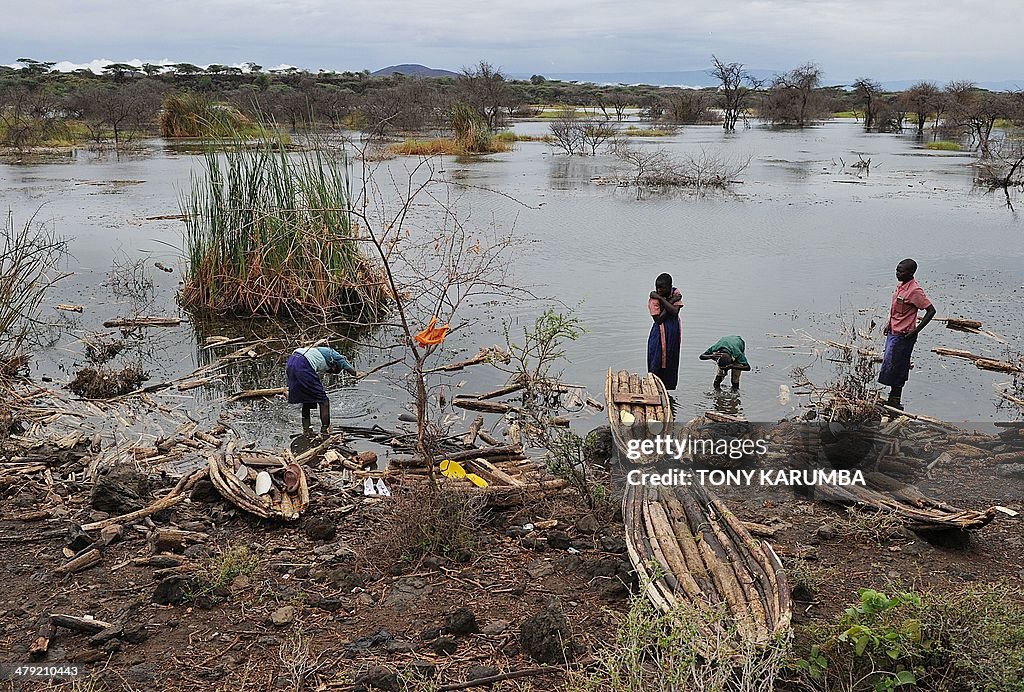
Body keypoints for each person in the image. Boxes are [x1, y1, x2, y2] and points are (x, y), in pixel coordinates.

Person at [879, 259, 936, 410]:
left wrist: (915, 330)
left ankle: (895, 400)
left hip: (904, 336)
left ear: (910, 273)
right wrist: (888, 324)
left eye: (901, 271)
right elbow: (896, 310)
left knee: (898, 367)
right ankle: (892, 400)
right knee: (889, 364)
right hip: (894, 332)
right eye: (897, 270)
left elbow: (931, 311)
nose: (897, 273)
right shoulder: (901, 286)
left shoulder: (914, 291)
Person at [286, 346, 358, 435]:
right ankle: (325, 429)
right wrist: (355, 374)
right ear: (334, 365)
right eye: (332, 371)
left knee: (306, 399)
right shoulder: (336, 357)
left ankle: (306, 429)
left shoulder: (323, 351)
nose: (328, 372)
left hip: (291, 362)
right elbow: (348, 368)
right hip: (303, 364)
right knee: (324, 401)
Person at [647, 273, 683, 390]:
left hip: (672, 334)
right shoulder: (654, 299)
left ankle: (667, 391)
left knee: (670, 360)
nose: (659, 290)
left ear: (670, 286)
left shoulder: (675, 293)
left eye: (662, 288)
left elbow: (674, 312)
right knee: (656, 360)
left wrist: (663, 300)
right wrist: (668, 300)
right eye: (657, 288)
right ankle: (654, 388)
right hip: (659, 334)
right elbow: (659, 319)